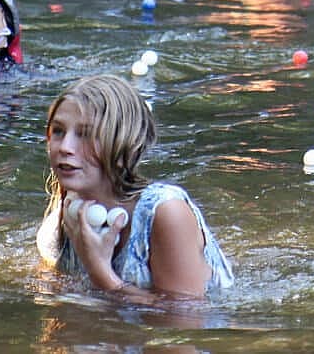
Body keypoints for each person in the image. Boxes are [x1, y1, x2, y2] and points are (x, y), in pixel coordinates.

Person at [36, 75, 234, 300]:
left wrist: (101, 274)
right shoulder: (68, 204)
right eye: (59, 131)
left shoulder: (166, 212)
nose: (65, 147)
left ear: (123, 143)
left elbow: (186, 319)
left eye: (85, 134)